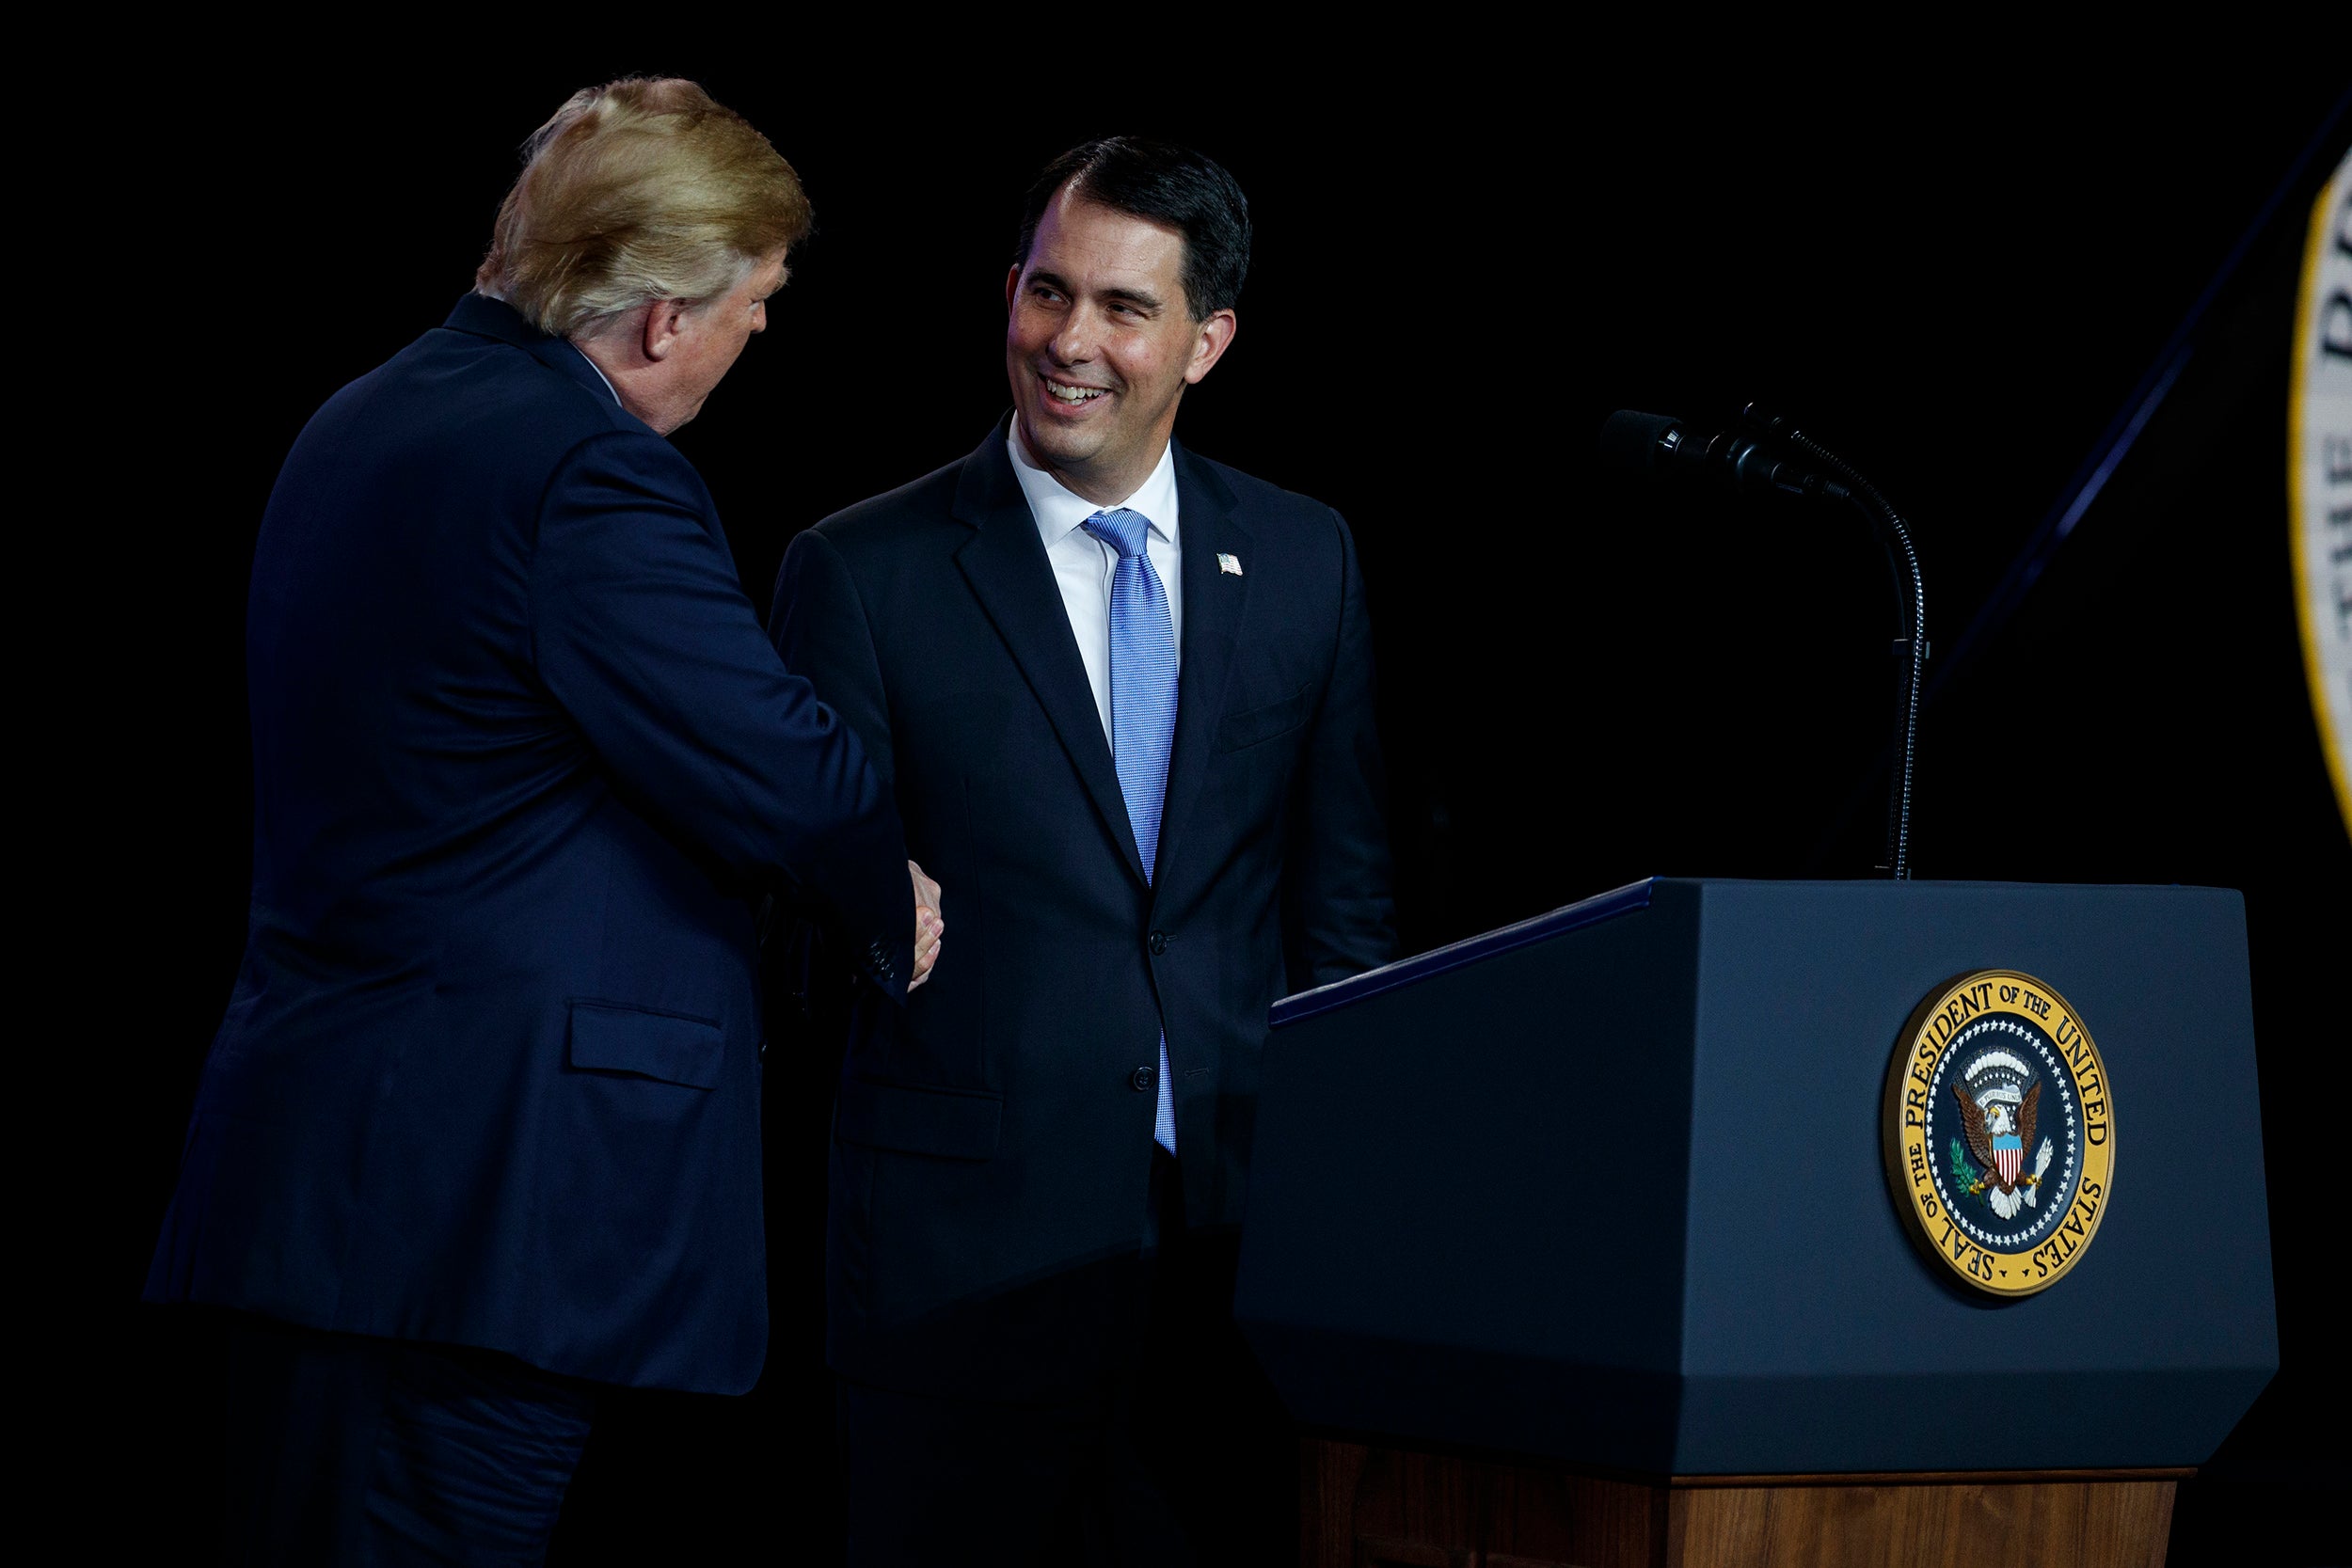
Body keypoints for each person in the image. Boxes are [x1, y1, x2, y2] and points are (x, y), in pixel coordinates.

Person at [144, 77, 942, 1564]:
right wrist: (889, 898)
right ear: (658, 318)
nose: (762, 331)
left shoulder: (358, 415)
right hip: (473, 1221)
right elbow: (794, 774)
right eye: (756, 299)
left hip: (334, 1193)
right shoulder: (591, 476)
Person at [771, 135, 1396, 1564]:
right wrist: (863, 909)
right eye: (1048, 293)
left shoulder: (1309, 560)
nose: (1071, 342)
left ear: (1208, 340)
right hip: (958, 1281)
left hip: (1231, 1277)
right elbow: (796, 931)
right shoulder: (862, 572)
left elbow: (1343, 909)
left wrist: (1342, 1205)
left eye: (1123, 308)